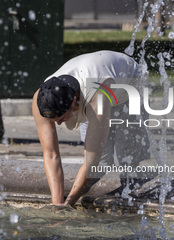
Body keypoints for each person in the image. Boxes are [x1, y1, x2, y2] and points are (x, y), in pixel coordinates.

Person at [32, 50, 150, 206]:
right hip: (97, 84)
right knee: (103, 163)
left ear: (74, 102)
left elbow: (91, 161)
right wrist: (57, 204)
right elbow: (51, 154)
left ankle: (133, 195)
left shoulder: (94, 95)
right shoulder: (40, 99)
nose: (59, 124)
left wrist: (69, 203)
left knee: (127, 158)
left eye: (61, 118)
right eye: (55, 120)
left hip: (129, 85)